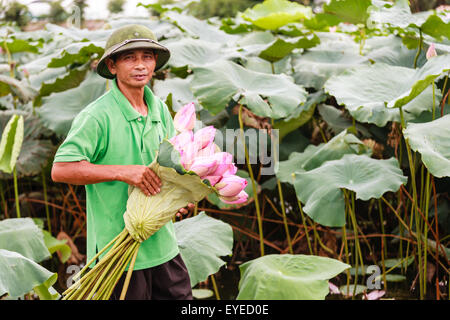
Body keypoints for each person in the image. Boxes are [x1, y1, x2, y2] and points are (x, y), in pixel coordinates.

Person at [51, 24, 194, 300]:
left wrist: (179, 198)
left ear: (155, 64)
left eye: (147, 57)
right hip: (116, 252)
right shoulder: (96, 117)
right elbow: (61, 169)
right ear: (112, 66)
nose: (140, 65)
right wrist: (122, 172)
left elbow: (169, 168)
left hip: (163, 246)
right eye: (130, 58)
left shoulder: (160, 110)